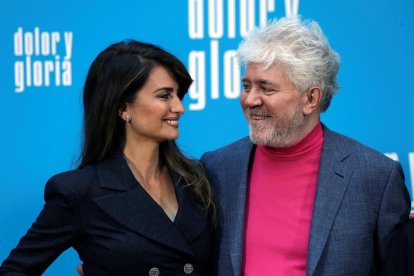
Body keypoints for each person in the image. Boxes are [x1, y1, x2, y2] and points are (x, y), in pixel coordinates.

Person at [200, 17, 410, 275]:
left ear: (310, 98)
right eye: (246, 86)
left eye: (266, 88)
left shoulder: (375, 176)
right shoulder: (216, 167)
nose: (250, 99)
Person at [0, 40, 215, 275]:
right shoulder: (78, 191)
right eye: (164, 96)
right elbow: (14, 270)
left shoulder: (197, 178)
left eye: (177, 95)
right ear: (124, 108)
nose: (179, 107)